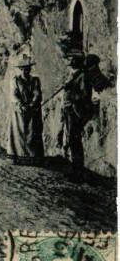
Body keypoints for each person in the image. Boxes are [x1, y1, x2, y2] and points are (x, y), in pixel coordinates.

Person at [57, 49, 94, 179]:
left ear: (75, 60)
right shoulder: (72, 75)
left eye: (70, 58)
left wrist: (71, 91)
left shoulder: (82, 76)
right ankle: (74, 169)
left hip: (75, 111)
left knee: (74, 140)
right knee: (71, 139)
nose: (68, 60)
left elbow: (85, 95)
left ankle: (78, 172)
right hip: (68, 110)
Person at [7, 56, 44, 165]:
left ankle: (33, 158)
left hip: (32, 110)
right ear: (20, 70)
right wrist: (20, 104)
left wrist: (32, 104)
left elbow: (37, 93)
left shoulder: (35, 80)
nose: (26, 71)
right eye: (23, 69)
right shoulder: (15, 80)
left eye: (27, 69)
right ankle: (18, 157)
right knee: (18, 133)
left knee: (33, 133)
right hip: (19, 111)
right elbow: (14, 94)